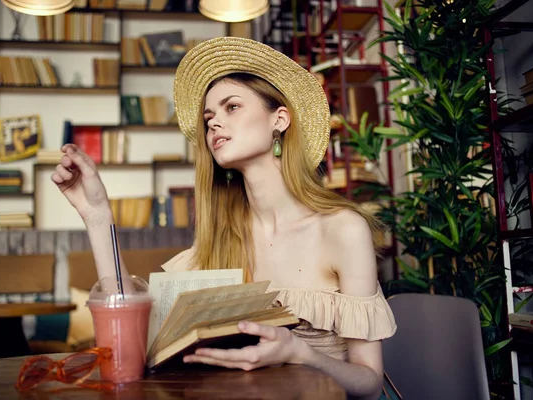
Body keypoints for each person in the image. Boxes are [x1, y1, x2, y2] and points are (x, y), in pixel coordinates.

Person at [52, 37, 397, 400]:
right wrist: (96, 214)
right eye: (208, 118)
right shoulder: (220, 237)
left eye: (231, 107)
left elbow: (370, 381)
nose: (214, 122)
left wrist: (299, 353)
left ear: (279, 119)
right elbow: (136, 331)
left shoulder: (343, 229)